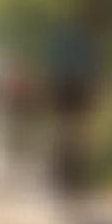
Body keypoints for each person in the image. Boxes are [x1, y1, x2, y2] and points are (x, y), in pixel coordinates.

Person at [44, 20, 99, 193]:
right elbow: (91, 68)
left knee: (63, 127)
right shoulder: (86, 41)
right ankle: (78, 170)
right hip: (79, 87)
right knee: (79, 128)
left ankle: (61, 168)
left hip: (63, 86)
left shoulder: (60, 41)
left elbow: (53, 67)